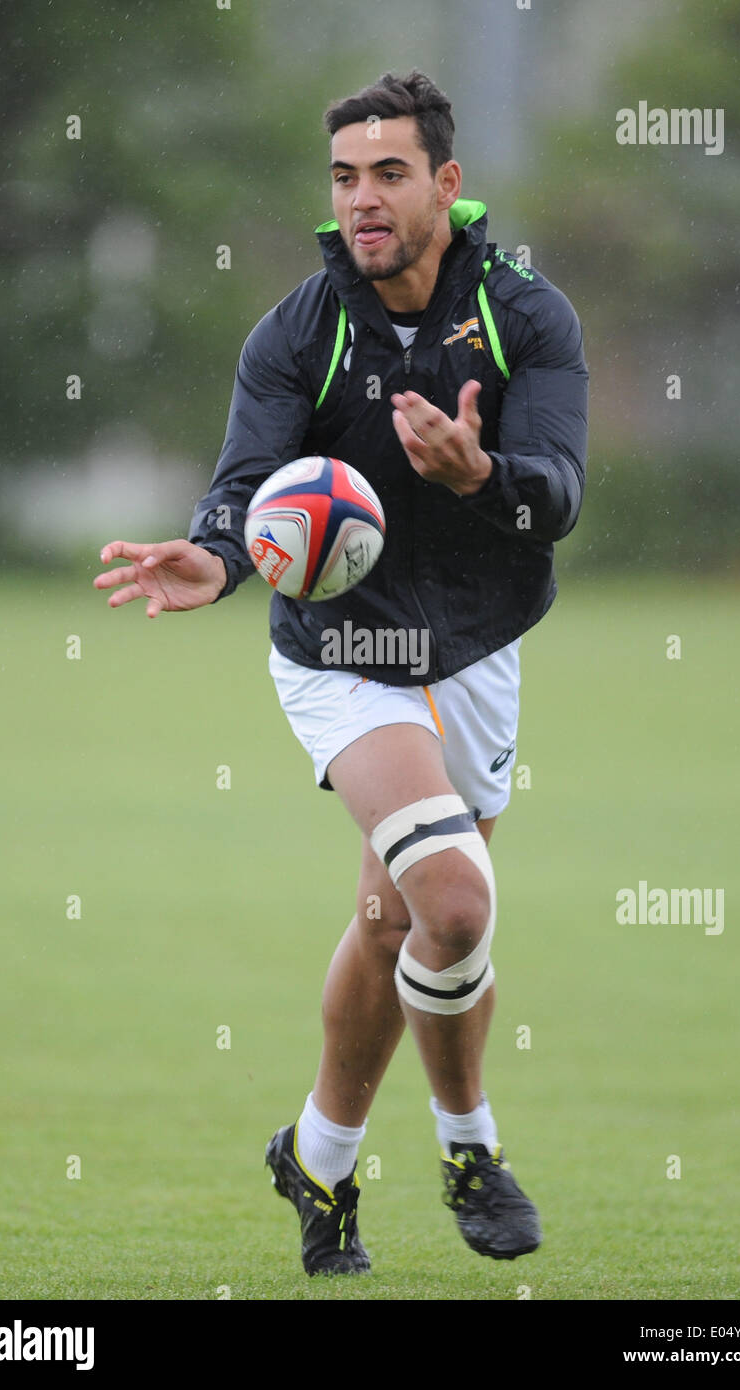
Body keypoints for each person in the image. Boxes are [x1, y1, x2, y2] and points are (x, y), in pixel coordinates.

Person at [94, 69, 588, 1277]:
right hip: (342, 656)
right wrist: (215, 558)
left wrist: (484, 478)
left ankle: (317, 1154)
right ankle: (470, 1143)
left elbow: (559, 495)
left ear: (446, 185)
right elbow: (245, 478)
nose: (360, 199)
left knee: (389, 922)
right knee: (456, 903)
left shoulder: (528, 317)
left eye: (387, 174)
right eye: (343, 177)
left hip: (476, 647)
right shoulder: (300, 329)